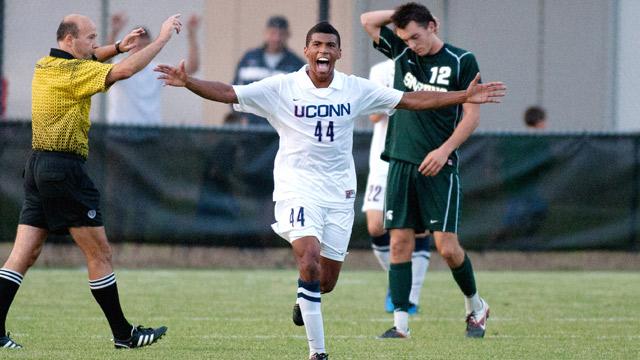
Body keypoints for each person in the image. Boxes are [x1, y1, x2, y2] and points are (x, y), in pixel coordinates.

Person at [156, 21, 504, 359]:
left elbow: (410, 100)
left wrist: (463, 96)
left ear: (338, 53)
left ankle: (305, 296)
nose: (323, 51)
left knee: (324, 281)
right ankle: (317, 352)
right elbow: (230, 92)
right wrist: (188, 82)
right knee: (307, 259)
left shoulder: (354, 88)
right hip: (297, 189)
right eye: (317, 45)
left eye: (330, 46)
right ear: (307, 51)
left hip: (338, 194)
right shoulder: (283, 87)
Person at [0, 13, 182, 350]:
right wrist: (162, 40)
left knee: (23, 254)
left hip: (38, 166)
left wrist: (116, 46)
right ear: (69, 41)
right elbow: (125, 71)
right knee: (100, 253)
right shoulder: (73, 72)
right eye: (90, 37)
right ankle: (124, 336)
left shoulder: (46, 64)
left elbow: (93, 58)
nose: (95, 43)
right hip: (63, 170)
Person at [361, 2, 491, 338]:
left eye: (416, 36)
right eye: (405, 38)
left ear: (433, 25)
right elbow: (366, 21)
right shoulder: (403, 54)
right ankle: (401, 325)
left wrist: (444, 149)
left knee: (447, 247)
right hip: (402, 161)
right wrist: (400, 16)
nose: (412, 45)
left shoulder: (462, 60)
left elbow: (472, 117)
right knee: (399, 242)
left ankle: (476, 306)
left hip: (439, 166)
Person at [362, 59, 431, 315]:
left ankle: (410, 296)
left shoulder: (430, 67)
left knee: (419, 229)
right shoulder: (380, 70)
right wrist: (403, 92)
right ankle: (398, 281)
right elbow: (374, 114)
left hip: (418, 155)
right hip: (383, 159)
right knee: (375, 225)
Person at [107, 12, 200, 125]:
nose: (141, 50)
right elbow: (104, 63)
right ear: (129, 45)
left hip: (151, 132)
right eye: (137, 45)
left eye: (145, 46)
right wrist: (114, 32)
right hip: (120, 132)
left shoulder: (157, 69)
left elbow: (192, 67)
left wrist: (192, 34)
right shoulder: (119, 66)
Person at [490, 106, 549, 247]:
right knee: (513, 216)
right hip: (518, 185)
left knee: (538, 209)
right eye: (544, 121)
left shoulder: (520, 138)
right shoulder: (531, 139)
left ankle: (527, 240)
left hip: (525, 184)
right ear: (539, 121)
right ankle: (495, 244)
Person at [232, 15, 305, 126]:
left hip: (280, 129)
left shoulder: (296, 63)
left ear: (288, 35)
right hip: (249, 128)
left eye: (281, 34)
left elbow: (301, 98)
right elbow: (235, 90)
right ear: (265, 33)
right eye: (273, 33)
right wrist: (241, 117)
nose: (276, 38)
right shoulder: (248, 58)